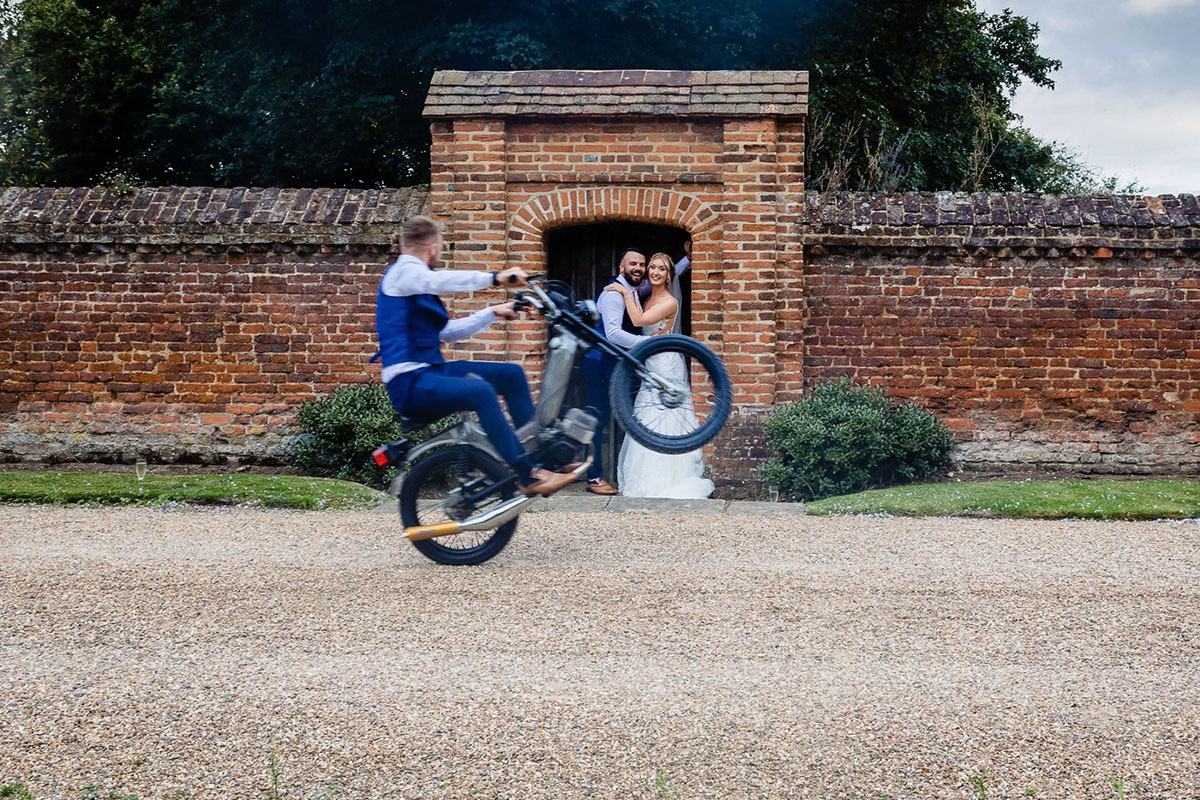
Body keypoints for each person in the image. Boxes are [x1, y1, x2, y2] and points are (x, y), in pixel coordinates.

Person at [375, 216, 579, 496]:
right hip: (409, 384)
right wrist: (495, 278)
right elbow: (439, 281)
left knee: (511, 375)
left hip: (430, 373)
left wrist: (492, 312)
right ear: (433, 248)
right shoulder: (404, 273)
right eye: (441, 250)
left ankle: (540, 457)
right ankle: (527, 475)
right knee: (481, 391)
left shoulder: (415, 285)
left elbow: (446, 332)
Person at [604, 252, 713, 499]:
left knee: (665, 415)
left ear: (669, 275)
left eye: (661, 269)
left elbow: (638, 319)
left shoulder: (670, 301)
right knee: (646, 413)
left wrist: (623, 292)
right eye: (652, 267)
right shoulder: (647, 293)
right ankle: (642, 477)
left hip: (666, 363)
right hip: (651, 363)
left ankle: (668, 478)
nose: (654, 272)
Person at [580, 247, 648, 495]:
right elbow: (613, 335)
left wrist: (687, 260)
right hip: (600, 363)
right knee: (596, 421)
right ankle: (593, 477)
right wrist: (651, 343)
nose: (638, 269)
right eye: (633, 264)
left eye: (641, 264)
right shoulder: (614, 295)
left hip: (613, 364)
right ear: (622, 267)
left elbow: (663, 281)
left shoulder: (632, 290)